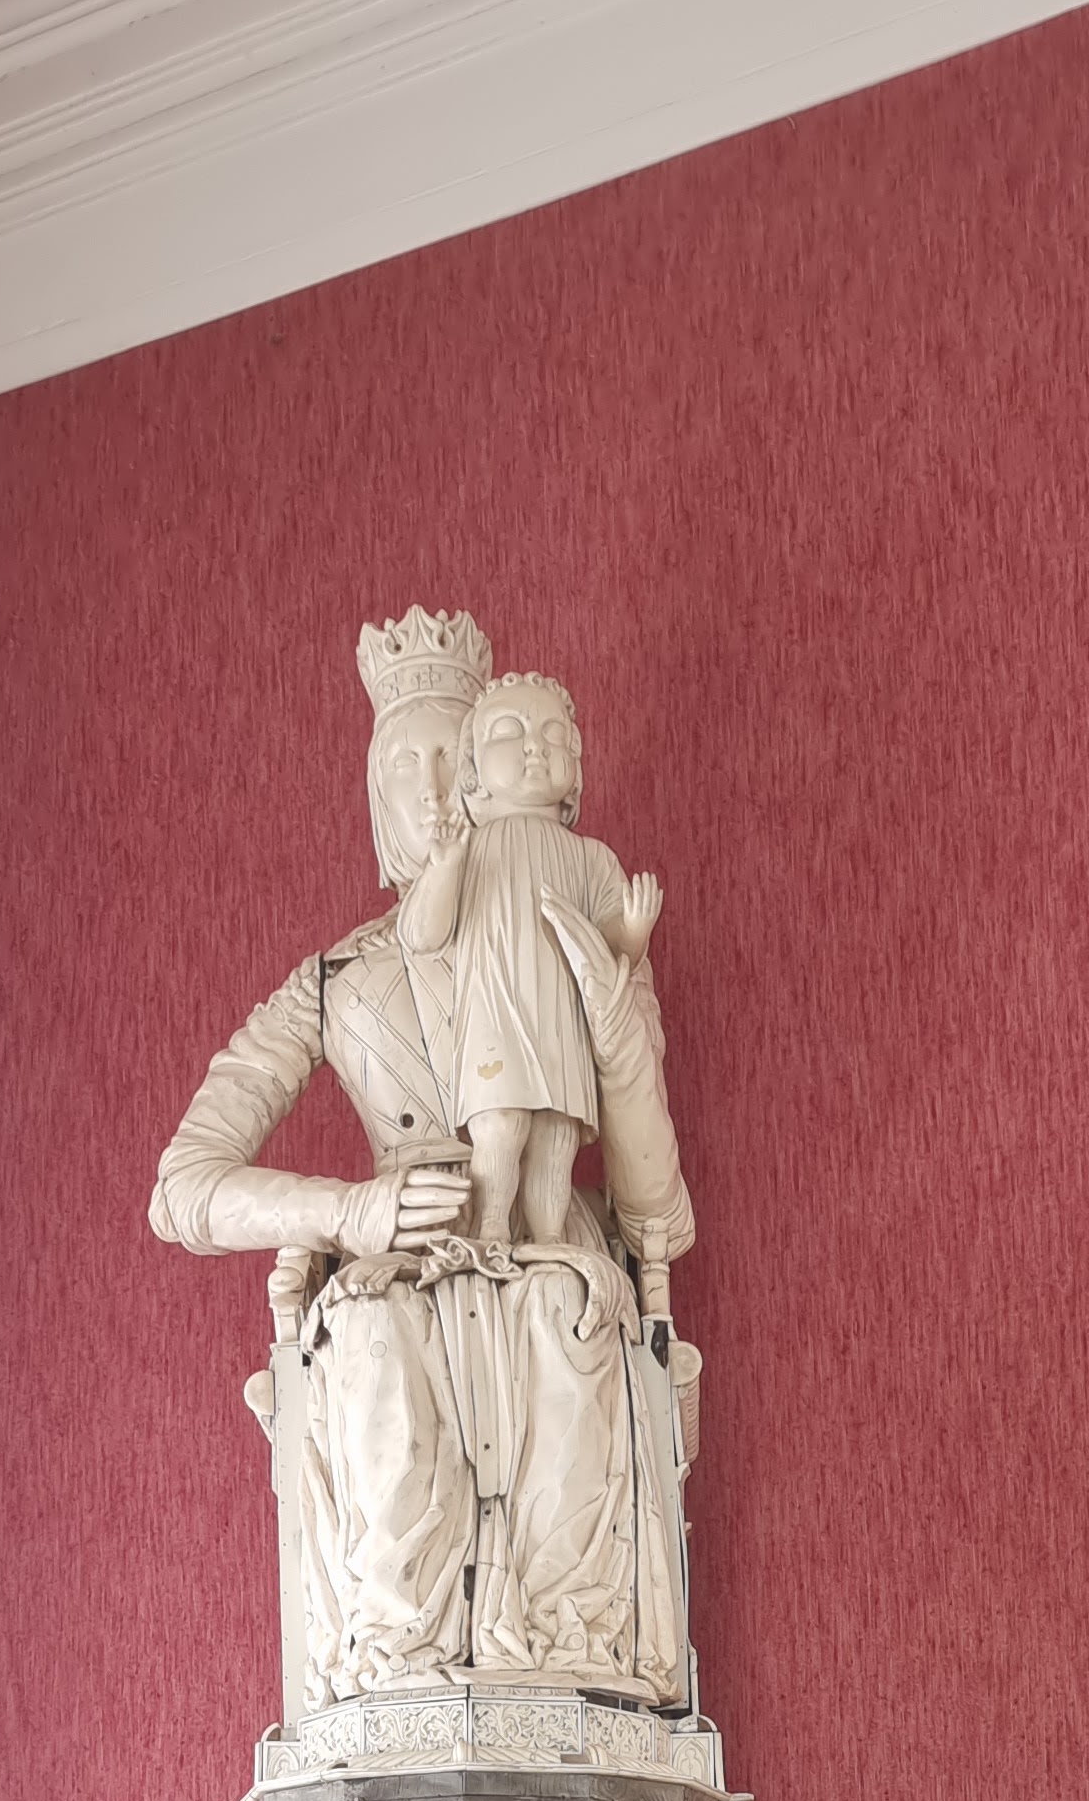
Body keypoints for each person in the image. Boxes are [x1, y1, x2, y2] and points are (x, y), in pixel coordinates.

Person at [149, 610, 697, 1714]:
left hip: (546, 1253)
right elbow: (183, 1191)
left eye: (459, 756)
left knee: (563, 1306)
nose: (439, 787)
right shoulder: (331, 984)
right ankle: (398, 1662)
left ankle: (568, 1653)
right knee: (373, 1329)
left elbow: (651, 1202)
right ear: (374, 793)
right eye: (410, 762)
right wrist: (352, 1212)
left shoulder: (573, 927)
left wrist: (612, 1008)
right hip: (398, 1259)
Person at [396, 671, 658, 1260]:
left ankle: (550, 1241)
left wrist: (633, 931)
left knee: (556, 1137)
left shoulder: (590, 857)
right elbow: (420, 936)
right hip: (493, 1011)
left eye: (553, 734)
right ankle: (491, 1227)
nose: (536, 747)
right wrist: (443, 867)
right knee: (500, 1125)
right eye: (511, 732)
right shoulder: (472, 848)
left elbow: (611, 951)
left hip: (561, 1019)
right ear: (473, 766)